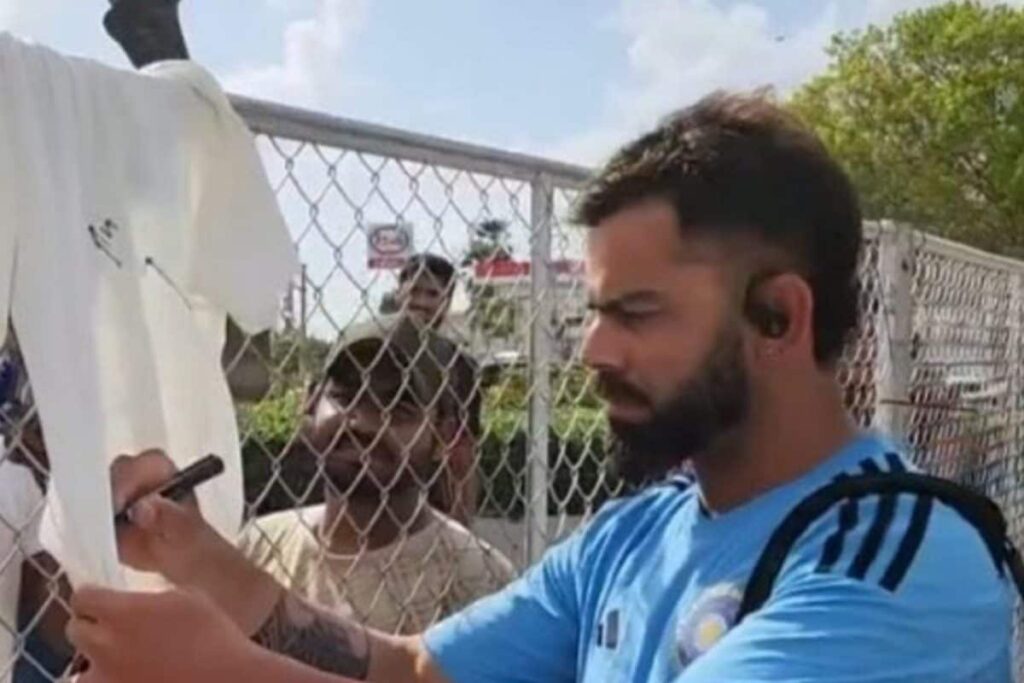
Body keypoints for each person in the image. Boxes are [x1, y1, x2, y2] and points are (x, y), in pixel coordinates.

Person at [66, 92, 1015, 682]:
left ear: (777, 317)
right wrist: (190, 553)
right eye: (595, 310)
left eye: (637, 313)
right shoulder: (632, 534)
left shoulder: (899, 556)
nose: (592, 349)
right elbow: (410, 667)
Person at [240, 315, 515, 635]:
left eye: (398, 409)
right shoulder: (258, 546)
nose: (365, 423)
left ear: (443, 434)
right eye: (346, 396)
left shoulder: (478, 579)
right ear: (311, 404)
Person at [395, 254, 481, 525]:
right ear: (399, 294)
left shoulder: (460, 365)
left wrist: (462, 523)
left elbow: (464, 454)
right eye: (414, 291)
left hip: (433, 506)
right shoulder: (368, 348)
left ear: (446, 301)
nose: (421, 301)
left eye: (432, 294)